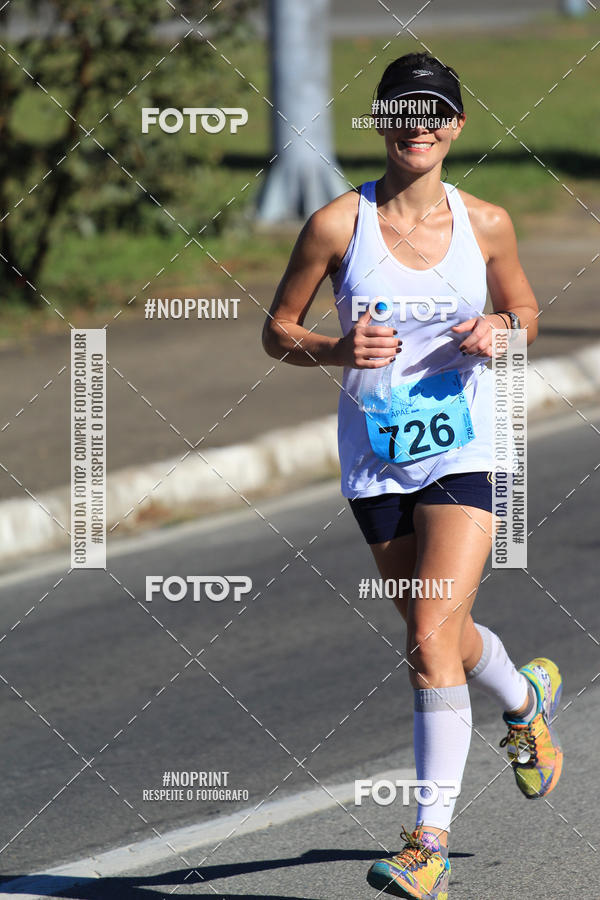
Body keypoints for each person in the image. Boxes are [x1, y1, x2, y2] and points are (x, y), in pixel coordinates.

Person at [262, 52, 563, 900]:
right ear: (381, 122)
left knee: (428, 639)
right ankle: (524, 700)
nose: (417, 126)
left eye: (433, 113)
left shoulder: (487, 223)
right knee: (442, 636)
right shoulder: (336, 225)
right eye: (401, 111)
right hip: (377, 460)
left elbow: (526, 310)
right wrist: (333, 347)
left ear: (456, 127)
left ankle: (427, 847)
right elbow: (277, 330)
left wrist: (503, 330)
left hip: (468, 451)